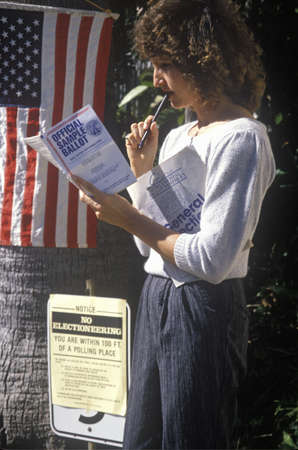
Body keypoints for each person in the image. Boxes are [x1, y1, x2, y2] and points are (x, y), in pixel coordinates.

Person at [74, 0, 276, 448]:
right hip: (157, 296)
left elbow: (211, 260)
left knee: (191, 438)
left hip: (203, 306)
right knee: (141, 438)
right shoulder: (181, 135)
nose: (155, 79)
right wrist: (142, 172)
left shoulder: (243, 139)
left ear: (203, 61)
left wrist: (127, 216)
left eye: (165, 65)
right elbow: (151, 248)